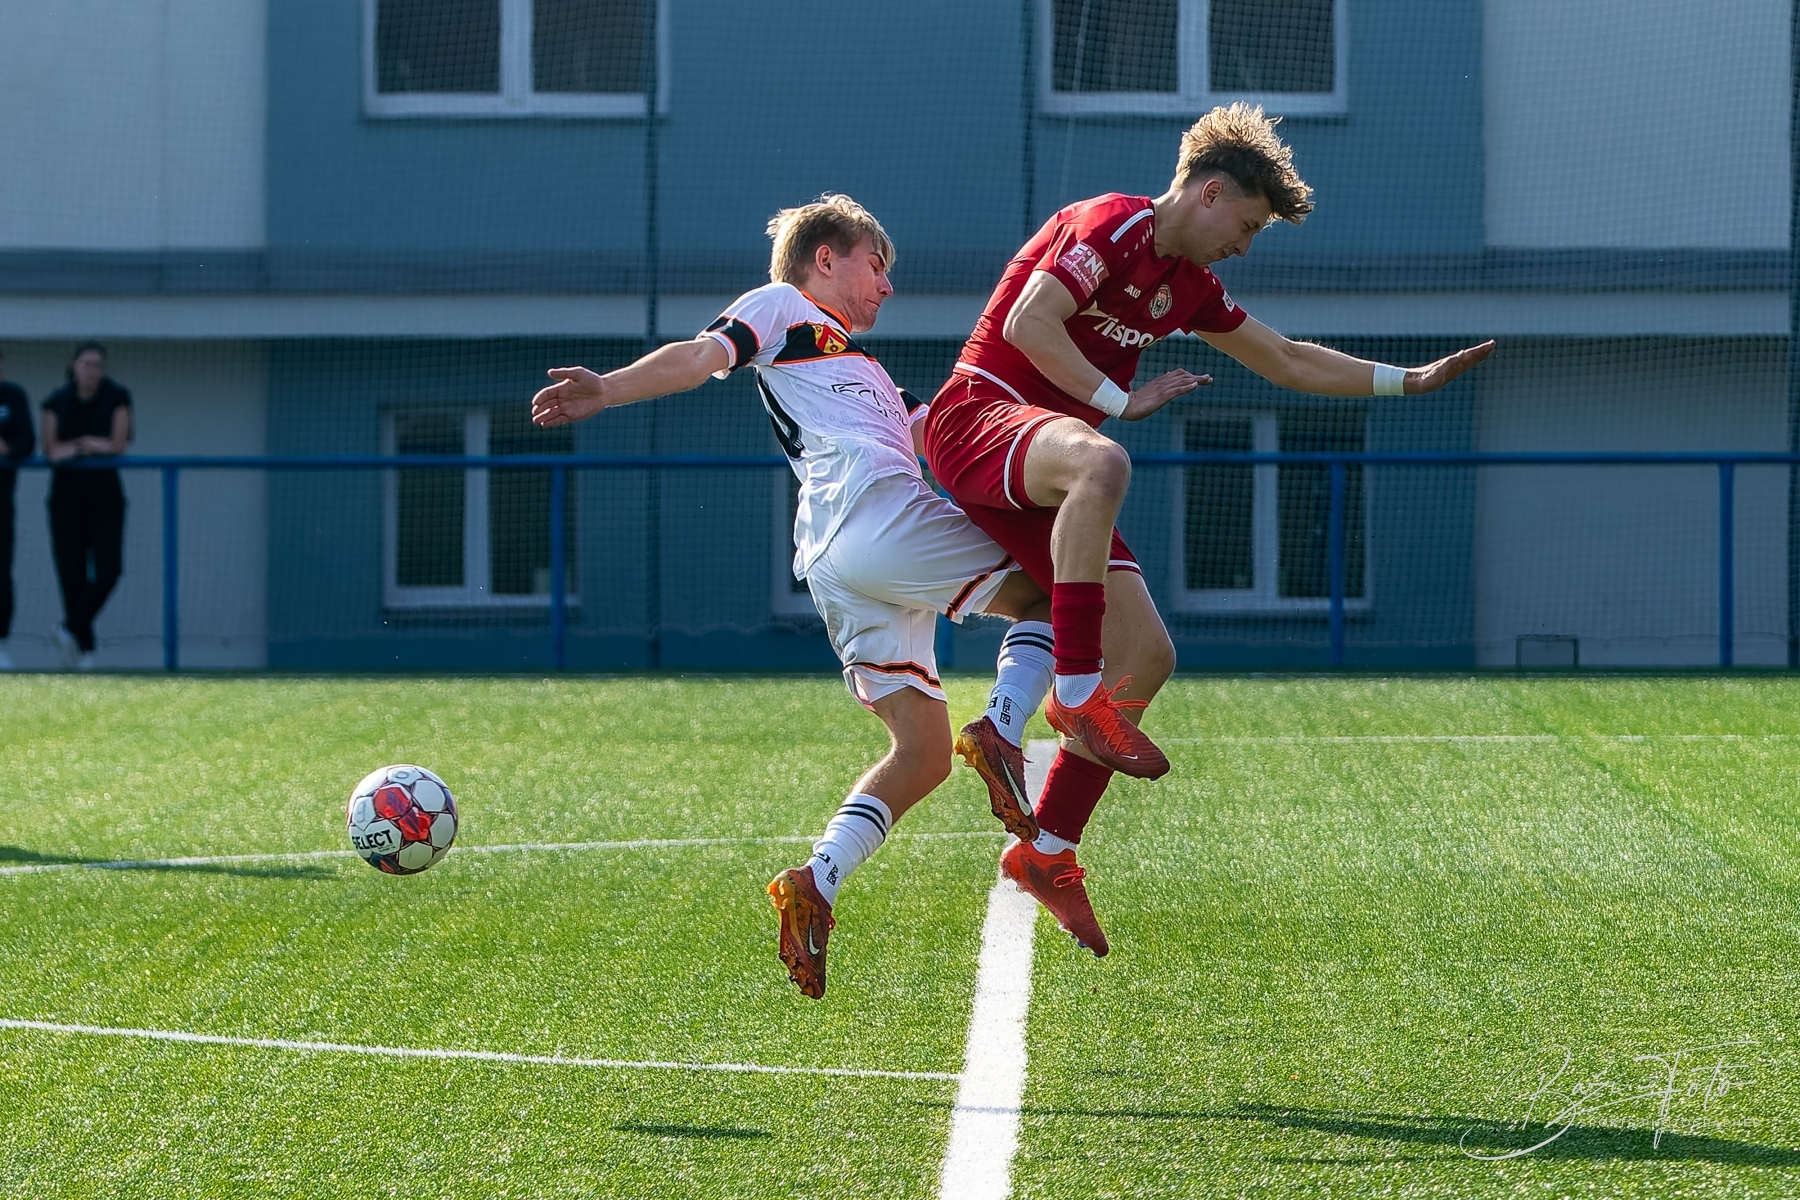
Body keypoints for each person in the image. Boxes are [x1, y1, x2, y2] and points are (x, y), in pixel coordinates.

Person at [924, 104, 1495, 956]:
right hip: (981, 417)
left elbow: (1287, 359)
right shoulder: (1109, 224)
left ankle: (1047, 852)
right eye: (1249, 225)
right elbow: (1026, 325)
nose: (1247, 246)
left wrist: (1405, 381)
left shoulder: (1186, 285)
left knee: (1148, 655)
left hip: (1051, 458)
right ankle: (1073, 693)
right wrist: (1120, 402)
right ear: (1210, 192)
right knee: (1104, 463)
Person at [530, 195, 1059, 998]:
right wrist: (607, 388)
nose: (887, 286)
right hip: (873, 512)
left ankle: (816, 880)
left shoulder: (870, 374)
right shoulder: (783, 307)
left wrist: (1066, 421)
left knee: (921, 755)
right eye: (876, 265)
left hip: (835, 561)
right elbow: (700, 355)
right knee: (1058, 587)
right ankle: (1005, 728)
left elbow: (953, 440)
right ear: (825, 259)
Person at [41, 341, 132, 670]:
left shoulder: (117, 396)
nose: (93, 371)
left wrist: (84, 448)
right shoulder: (56, 401)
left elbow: (118, 444)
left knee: (109, 571)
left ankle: (68, 628)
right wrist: (84, 445)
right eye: (87, 364)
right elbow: (52, 451)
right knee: (72, 575)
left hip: (105, 497)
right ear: (74, 366)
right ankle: (84, 652)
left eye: (98, 365)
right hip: (66, 498)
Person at [0, 349, 35, 670]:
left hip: (2, 500)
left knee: (1, 570)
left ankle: (1, 643)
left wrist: (7, 448)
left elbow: (27, 441)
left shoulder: (13, 396)